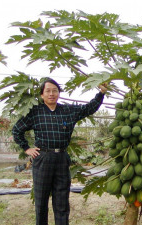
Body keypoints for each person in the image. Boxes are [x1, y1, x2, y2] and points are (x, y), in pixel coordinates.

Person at [12, 78, 107, 225]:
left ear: (59, 93)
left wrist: (101, 93)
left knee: (62, 201)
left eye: (55, 91)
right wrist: (27, 148)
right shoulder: (35, 112)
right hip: (42, 158)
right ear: (42, 95)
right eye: (48, 91)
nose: (51, 94)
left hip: (62, 158)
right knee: (41, 201)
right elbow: (17, 130)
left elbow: (89, 108)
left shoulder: (68, 111)